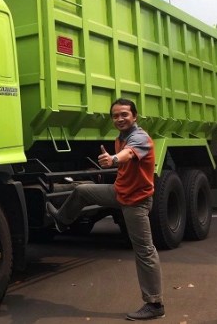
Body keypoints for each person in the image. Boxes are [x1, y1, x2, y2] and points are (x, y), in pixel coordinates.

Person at [46, 98, 164, 321]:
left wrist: (113, 159)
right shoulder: (120, 138)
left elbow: (128, 154)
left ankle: (155, 304)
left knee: (145, 251)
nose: (119, 119)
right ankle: (62, 220)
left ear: (135, 116)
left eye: (124, 115)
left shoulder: (139, 138)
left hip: (135, 202)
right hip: (119, 192)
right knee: (83, 191)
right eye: (115, 115)